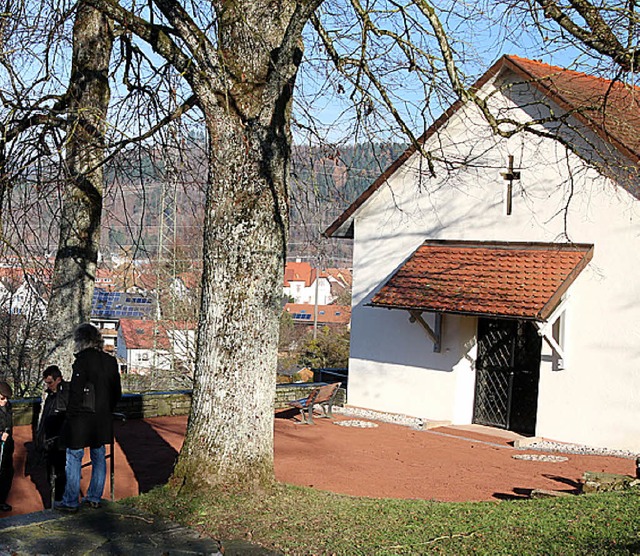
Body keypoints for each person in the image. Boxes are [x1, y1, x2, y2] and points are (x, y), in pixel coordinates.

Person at [56, 323, 121, 513]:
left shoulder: (82, 361)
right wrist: (107, 409)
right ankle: (94, 497)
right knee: (99, 455)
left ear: (82, 340)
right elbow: (117, 392)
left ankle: (70, 501)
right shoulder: (110, 361)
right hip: (102, 418)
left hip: (81, 419)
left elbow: (75, 393)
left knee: (74, 456)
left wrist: (69, 415)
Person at [36, 365, 68, 505]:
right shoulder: (50, 395)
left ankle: (59, 501)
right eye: (46, 383)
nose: (48, 386)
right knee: (50, 475)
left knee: (60, 474)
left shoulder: (66, 395)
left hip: (60, 441)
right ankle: (53, 502)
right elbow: (44, 419)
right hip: (49, 441)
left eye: (50, 382)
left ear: (58, 379)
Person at [0, 381, 14, 512]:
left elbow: (9, 424)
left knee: (7, 474)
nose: (4, 401)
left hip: (7, 447)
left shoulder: (8, 407)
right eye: (2, 398)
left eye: (7, 398)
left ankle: (2, 500)